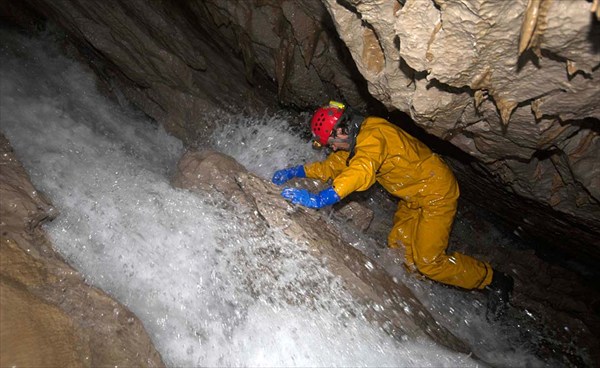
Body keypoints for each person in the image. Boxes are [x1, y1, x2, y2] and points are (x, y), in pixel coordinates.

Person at [271, 101, 514, 320]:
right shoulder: (358, 139)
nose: (333, 149)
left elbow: (360, 170)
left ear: (341, 130)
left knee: (428, 261)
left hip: (436, 193)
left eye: (331, 143)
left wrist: (321, 198)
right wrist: (298, 171)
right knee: (399, 250)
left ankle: (494, 280)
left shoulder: (373, 136)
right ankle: (420, 300)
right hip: (412, 197)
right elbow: (337, 166)